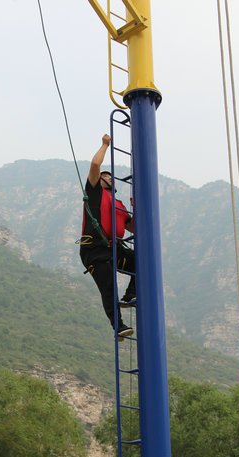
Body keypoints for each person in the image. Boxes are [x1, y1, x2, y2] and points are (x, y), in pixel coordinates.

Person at [79, 133, 136, 340]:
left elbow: (134, 228)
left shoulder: (118, 204)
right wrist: (104, 145)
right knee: (108, 285)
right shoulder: (95, 193)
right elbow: (95, 165)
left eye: (111, 175)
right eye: (106, 175)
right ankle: (118, 326)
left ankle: (131, 294)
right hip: (95, 249)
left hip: (113, 248)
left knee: (139, 261)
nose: (109, 177)